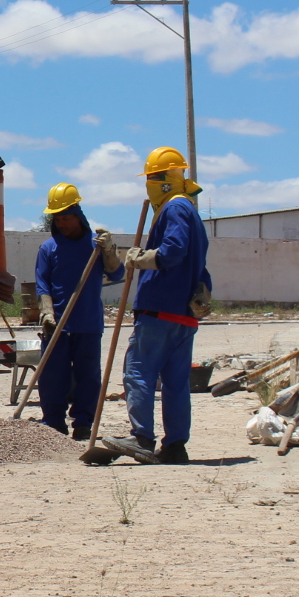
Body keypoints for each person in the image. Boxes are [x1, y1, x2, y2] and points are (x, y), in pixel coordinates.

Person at [105, 148, 212, 465]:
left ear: (165, 179)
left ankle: (141, 439)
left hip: (159, 309)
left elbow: (174, 251)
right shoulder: (192, 212)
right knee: (176, 382)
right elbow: (200, 266)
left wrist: (142, 259)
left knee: (139, 373)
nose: (149, 184)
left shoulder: (174, 210)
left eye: (152, 178)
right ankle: (175, 446)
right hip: (183, 314)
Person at [32, 183, 123, 440]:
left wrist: (109, 251)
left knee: (88, 377)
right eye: (57, 218)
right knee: (52, 376)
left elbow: (117, 274)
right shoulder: (48, 249)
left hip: (88, 323)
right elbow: (42, 285)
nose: (61, 223)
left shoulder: (95, 246)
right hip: (56, 325)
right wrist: (47, 313)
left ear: (78, 215)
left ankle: (83, 423)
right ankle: (53, 423)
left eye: (66, 218)